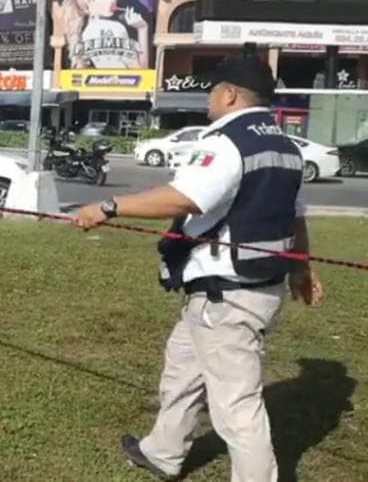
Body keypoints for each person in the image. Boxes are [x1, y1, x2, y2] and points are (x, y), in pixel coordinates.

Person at [73, 57, 323, 482]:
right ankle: (163, 452)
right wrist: (301, 268)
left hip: (226, 294)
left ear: (230, 95)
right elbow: (294, 217)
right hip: (248, 285)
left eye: (213, 89)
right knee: (182, 371)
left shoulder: (228, 141)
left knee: (237, 407)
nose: (208, 97)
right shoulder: (284, 146)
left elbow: (185, 197)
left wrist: (108, 206)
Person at [62, 0, 150, 69]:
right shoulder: (116, 28)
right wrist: (142, 29)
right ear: (88, 1)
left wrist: (142, 28)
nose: (112, 0)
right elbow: (140, 71)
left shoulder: (85, 31)